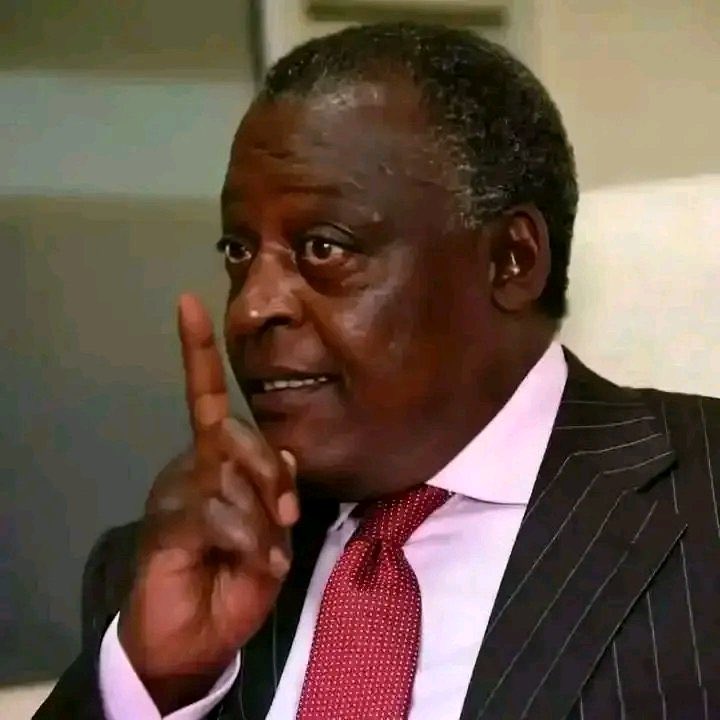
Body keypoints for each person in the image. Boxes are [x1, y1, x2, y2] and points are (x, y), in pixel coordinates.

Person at [36, 22, 719, 720]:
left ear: (510, 260)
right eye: (239, 253)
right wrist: (155, 685)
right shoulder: (171, 567)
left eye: (324, 247)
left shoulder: (705, 502)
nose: (251, 308)